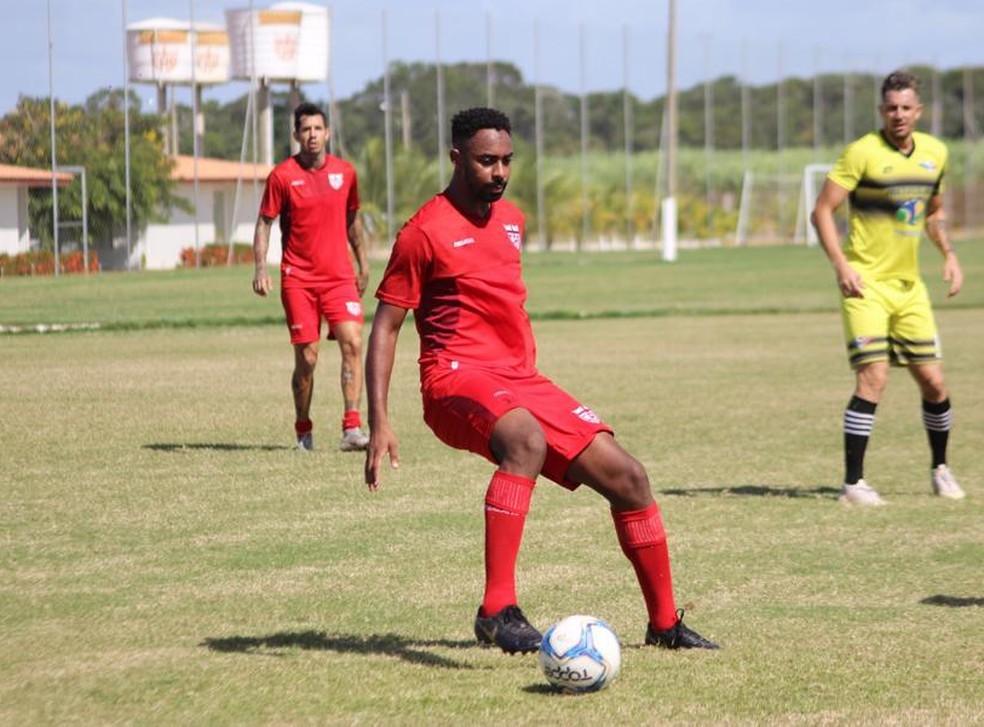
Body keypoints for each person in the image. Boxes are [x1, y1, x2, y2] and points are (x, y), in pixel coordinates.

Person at [364, 107, 719, 654]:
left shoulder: (513, 221)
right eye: (486, 161)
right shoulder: (423, 233)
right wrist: (380, 421)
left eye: (507, 160)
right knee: (525, 440)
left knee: (630, 478)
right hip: (453, 379)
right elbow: (386, 328)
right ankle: (496, 610)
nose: (499, 172)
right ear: (456, 158)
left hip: (521, 380)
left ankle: (666, 624)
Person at [812, 70, 966, 506]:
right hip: (866, 285)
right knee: (873, 376)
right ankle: (853, 484)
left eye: (905, 107)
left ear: (918, 111)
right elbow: (822, 211)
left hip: (910, 287)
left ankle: (941, 469)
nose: (898, 115)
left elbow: (932, 212)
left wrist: (949, 255)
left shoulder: (935, 153)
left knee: (933, 382)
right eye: (890, 108)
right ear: (881, 111)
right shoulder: (861, 153)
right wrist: (841, 265)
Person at [253, 102, 370, 452]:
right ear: (296, 135)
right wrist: (261, 267)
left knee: (353, 342)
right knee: (307, 360)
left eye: (318, 129)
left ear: (328, 132)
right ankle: (303, 429)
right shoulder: (282, 176)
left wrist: (363, 264)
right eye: (306, 130)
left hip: (339, 278)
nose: (312, 135)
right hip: (299, 280)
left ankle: (352, 429)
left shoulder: (345, 173)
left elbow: (353, 221)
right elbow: (264, 222)